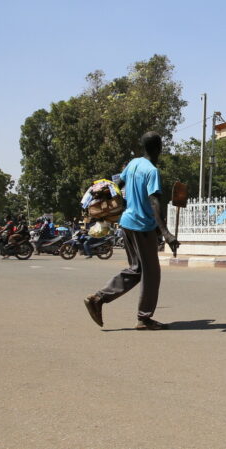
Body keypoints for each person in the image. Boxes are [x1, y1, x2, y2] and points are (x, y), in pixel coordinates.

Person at [84, 131, 179, 331]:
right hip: (142, 225)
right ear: (159, 148)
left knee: (136, 270)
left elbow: (117, 185)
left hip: (126, 222)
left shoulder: (133, 163)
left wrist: (104, 205)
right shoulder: (152, 171)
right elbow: (154, 202)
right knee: (151, 274)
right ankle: (144, 318)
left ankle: (98, 299)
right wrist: (166, 233)